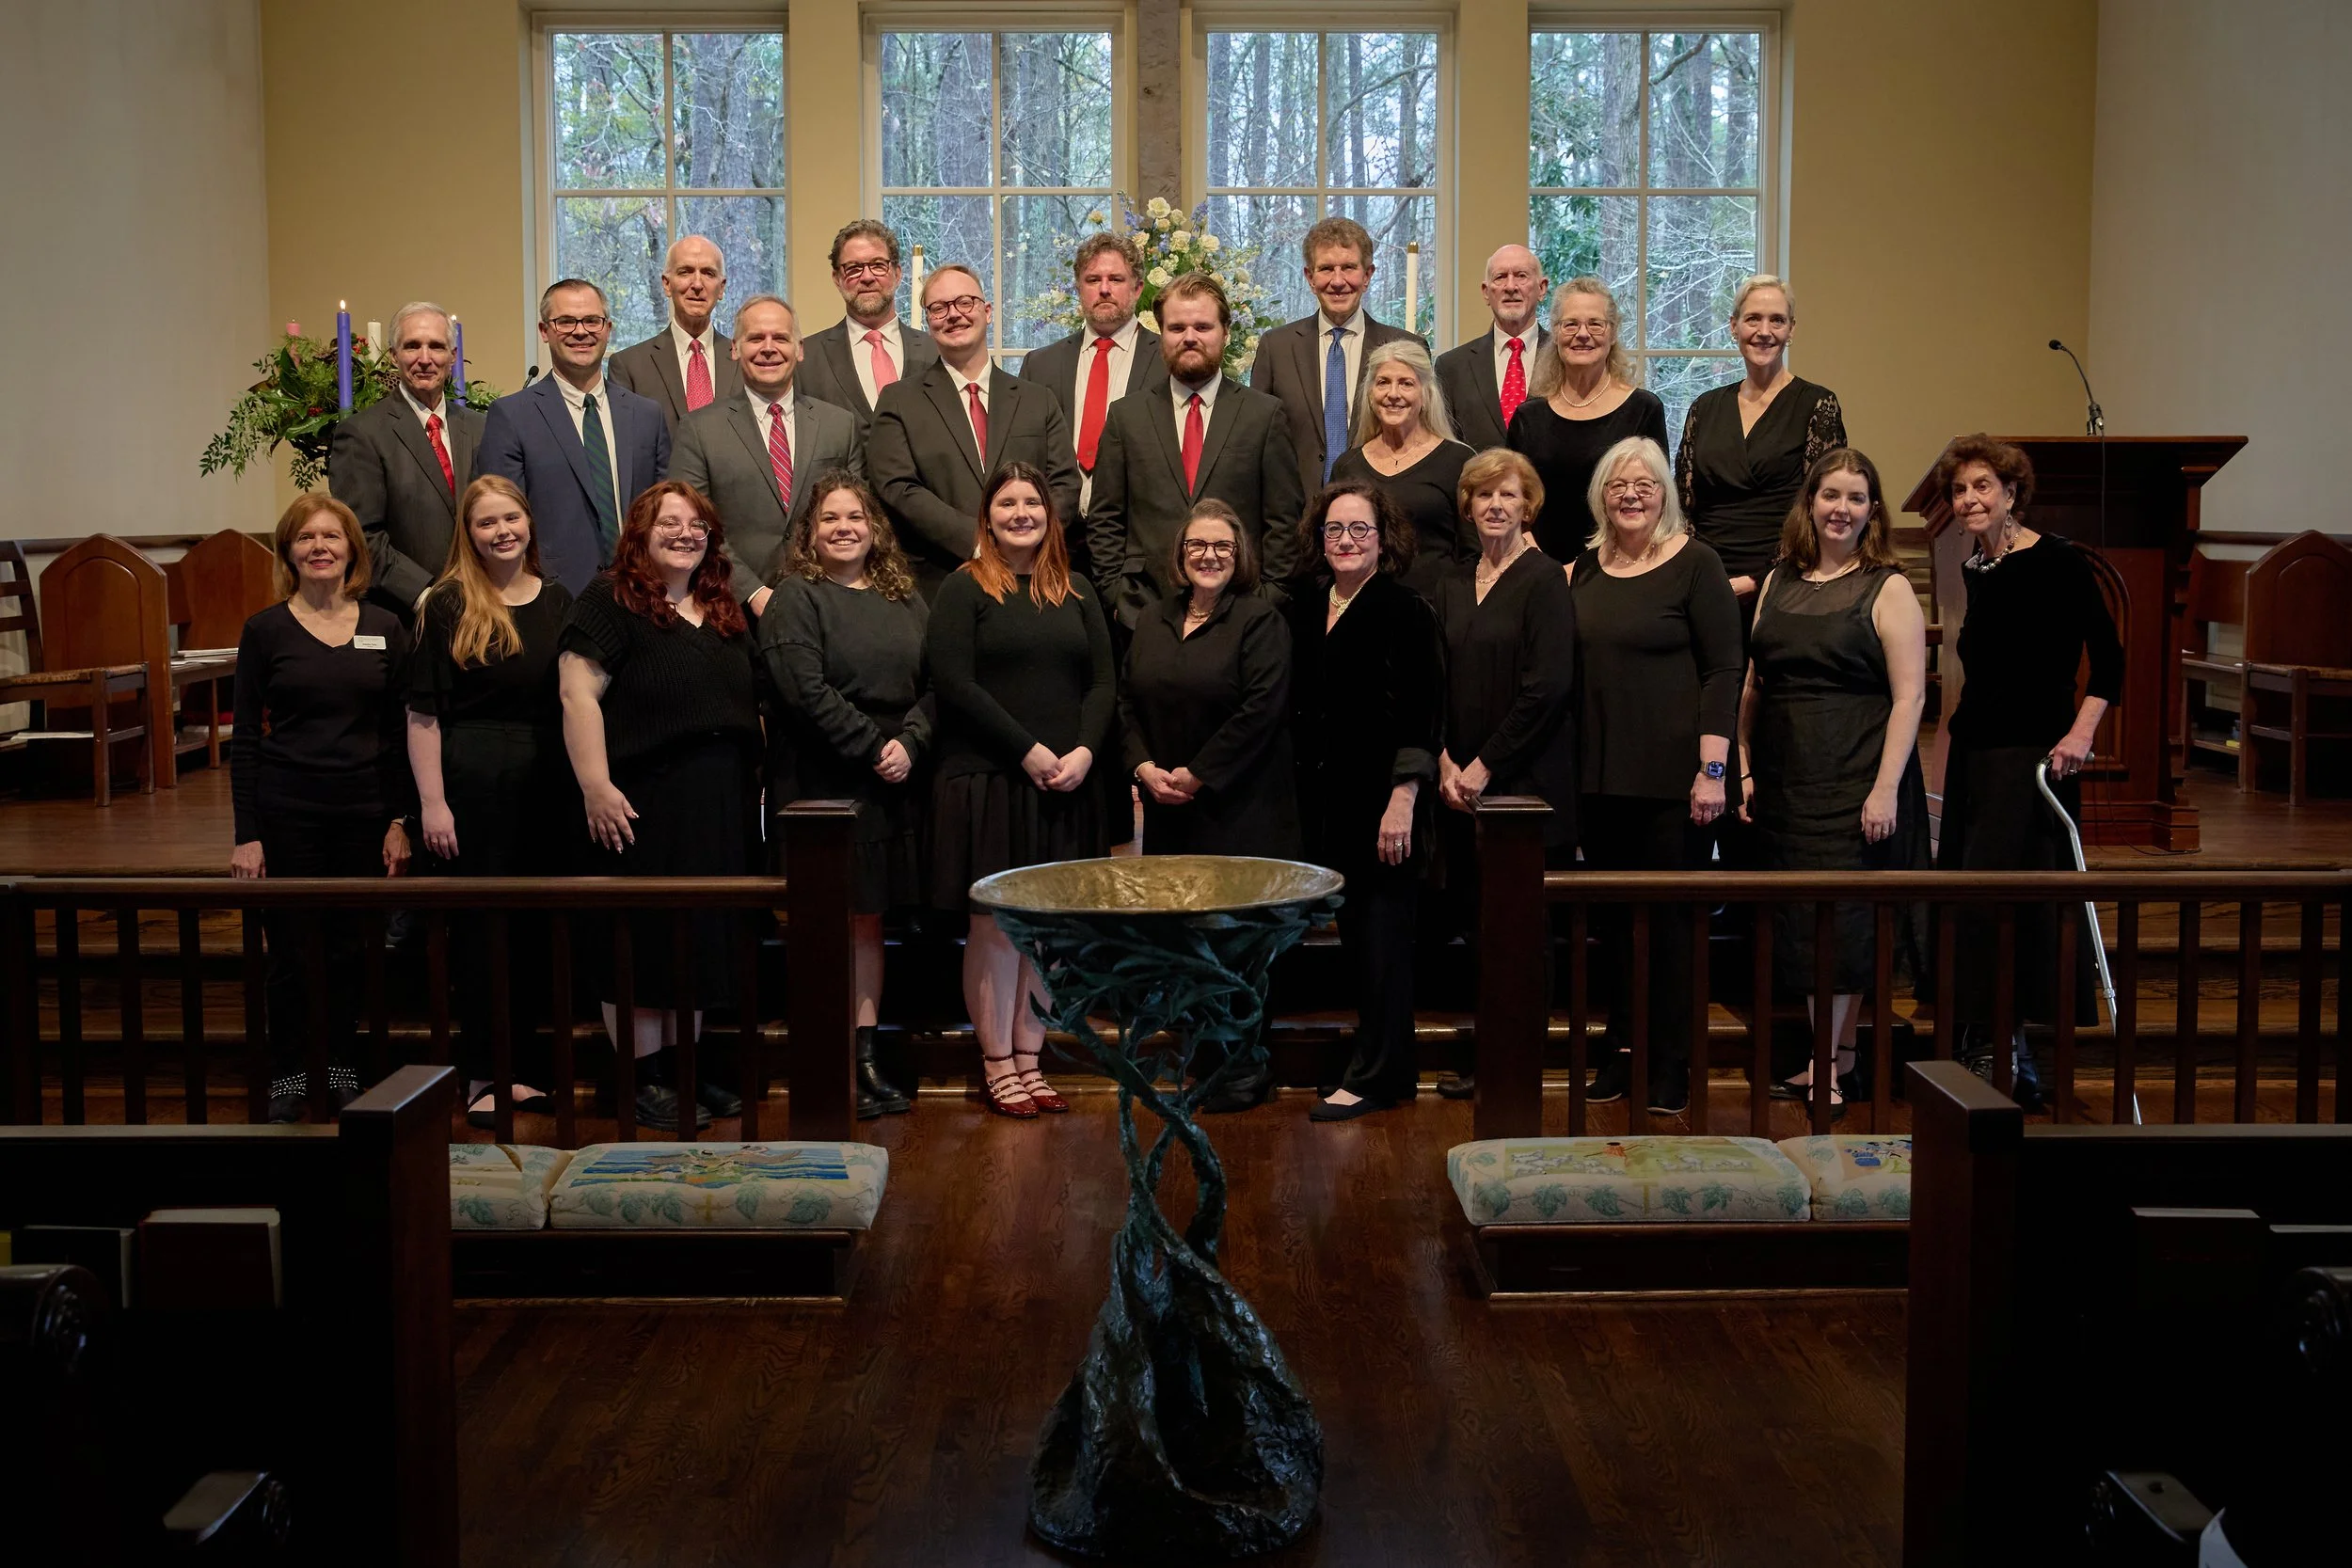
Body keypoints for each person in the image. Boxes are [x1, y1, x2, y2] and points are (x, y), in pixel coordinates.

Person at [558, 481, 760, 1132]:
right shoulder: (609, 599)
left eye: (696, 523)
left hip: (716, 799)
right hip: (642, 798)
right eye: (668, 523)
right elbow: (577, 693)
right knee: (641, 938)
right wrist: (594, 784)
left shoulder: (718, 603)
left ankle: (683, 1069)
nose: (684, 533)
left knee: (697, 937)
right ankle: (638, 1078)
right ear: (639, 532)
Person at [1737, 449, 1930, 1117]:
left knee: (1844, 923)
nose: (1841, 508)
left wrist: (1884, 789)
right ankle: (1836, 1058)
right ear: (1809, 503)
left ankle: (1830, 1063)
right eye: (1830, 495)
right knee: (1801, 920)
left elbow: (1910, 698)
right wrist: (1743, 760)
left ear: (1872, 510)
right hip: (1790, 777)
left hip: (1858, 772)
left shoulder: (1889, 586)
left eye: (1856, 497)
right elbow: (1755, 682)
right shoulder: (1778, 579)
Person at [1932, 434, 2122, 1112]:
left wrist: (2080, 733)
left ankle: (2011, 1048)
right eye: (1959, 490)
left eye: (1983, 486)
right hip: (1974, 755)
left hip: (2031, 759)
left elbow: (2109, 663)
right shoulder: (1976, 567)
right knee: (1972, 900)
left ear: (2012, 492)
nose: (1969, 499)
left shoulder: (2058, 562)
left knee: (2012, 905)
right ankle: (1981, 1036)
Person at [925, 463, 1116, 1120]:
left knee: (1049, 929)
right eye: (1006, 503)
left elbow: (1104, 685)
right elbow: (954, 682)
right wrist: (1027, 749)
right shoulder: (964, 587)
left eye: (1031, 502)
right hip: (990, 777)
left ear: (1049, 514)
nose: (1020, 513)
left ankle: (1031, 1057)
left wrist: (1085, 751)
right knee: (998, 928)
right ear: (987, 516)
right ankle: (997, 1061)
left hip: (1067, 781)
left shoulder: (1079, 590)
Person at [1568, 436, 1742, 1117]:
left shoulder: (1696, 564)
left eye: (1644, 483)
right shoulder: (1581, 570)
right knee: (1614, 929)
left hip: (1677, 783)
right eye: (1618, 484)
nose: (1631, 493)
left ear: (1665, 493)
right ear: (1601, 497)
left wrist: (1714, 769)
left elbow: (1724, 669)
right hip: (1600, 779)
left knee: (1671, 932)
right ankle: (1622, 1053)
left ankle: (1673, 1065)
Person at [229, 495, 415, 1123]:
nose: (319, 546)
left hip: (362, 809)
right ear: (288, 551)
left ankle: (338, 1067)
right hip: (287, 809)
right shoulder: (264, 630)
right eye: (305, 537)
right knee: (288, 949)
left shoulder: (386, 627)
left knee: (345, 949)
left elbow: (397, 736)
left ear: (352, 549)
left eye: (331, 536)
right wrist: (246, 834)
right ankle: (286, 1073)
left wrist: (398, 821)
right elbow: (247, 739)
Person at [406, 475, 576, 1131]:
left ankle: (527, 1069)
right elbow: (422, 715)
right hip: (472, 782)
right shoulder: (446, 602)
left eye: (511, 518)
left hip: (545, 785)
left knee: (534, 930)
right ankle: (482, 1073)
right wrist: (432, 805)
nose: (501, 531)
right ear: (468, 533)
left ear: (529, 524)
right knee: (481, 933)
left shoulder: (558, 599)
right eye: (486, 522)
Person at [1120, 500, 1300, 1113]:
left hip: (1241, 807)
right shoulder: (1153, 618)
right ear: (1180, 553)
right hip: (1171, 807)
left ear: (1240, 553)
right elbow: (1125, 702)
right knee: (1190, 940)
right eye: (1198, 544)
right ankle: (1204, 1058)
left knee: (1238, 944)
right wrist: (1142, 766)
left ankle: (1246, 1065)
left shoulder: (1260, 620)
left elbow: (1261, 711)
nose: (1209, 555)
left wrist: (1197, 774)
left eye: (1222, 545)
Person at [758, 471, 928, 1119]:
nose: (843, 527)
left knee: (868, 923)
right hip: (821, 781)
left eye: (855, 515)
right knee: (824, 924)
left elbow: (936, 681)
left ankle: (864, 1057)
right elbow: (803, 690)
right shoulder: (795, 597)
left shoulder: (902, 594)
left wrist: (910, 741)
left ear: (873, 525)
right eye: (829, 517)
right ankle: (826, 1062)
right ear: (809, 531)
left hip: (889, 779)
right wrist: (872, 746)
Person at [1287, 483, 1441, 1122]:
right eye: (1334, 529)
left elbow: (1422, 714)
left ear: (1385, 538)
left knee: (1383, 948)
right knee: (1357, 946)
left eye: (1360, 529)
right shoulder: (1301, 607)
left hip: (1385, 809)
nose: (1346, 540)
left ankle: (1378, 1074)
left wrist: (1403, 797)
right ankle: (1385, 1068)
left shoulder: (1405, 609)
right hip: (1327, 809)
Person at [1084, 271, 1303, 633]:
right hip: (1147, 613)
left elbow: (1283, 523)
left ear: (1225, 332)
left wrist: (1267, 599)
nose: (1189, 338)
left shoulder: (1264, 416)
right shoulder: (1126, 417)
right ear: (1160, 334)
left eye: (1202, 327)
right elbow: (1105, 519)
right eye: (1176, 328)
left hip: (1242, 614)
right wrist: (1117, 597)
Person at [867, 263, 1083, 591]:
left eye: (964, 302)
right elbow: (898, 487)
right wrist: (980, 541)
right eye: (939, 308)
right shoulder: (899, 401)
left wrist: (1026, 541)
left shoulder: (1037, 400)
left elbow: (1064, 482)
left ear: (987, 311)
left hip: (1033, 578)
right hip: (939, 581)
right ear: (929, 322)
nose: (953, 315)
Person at [668, 293, 864, 618]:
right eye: (755, 338)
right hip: (731, 612)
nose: (768, 348)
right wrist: (753, 592)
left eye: (781, 338)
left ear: (799, 350)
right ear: (735, 349)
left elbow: (859, 519)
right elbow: (693, 525)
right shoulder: (698, 429)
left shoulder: (840, 425)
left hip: (829, 607)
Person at [478, 278, 671, 594]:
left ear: (608, 329)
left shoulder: (647, 415)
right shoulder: (512, 416)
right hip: (553, 596)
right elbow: (501, 522)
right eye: (565, 321)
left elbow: (665, 512)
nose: (580, 331)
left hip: (640, 593)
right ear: (544, 331)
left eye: (592, 321)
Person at [1676, 275, 1849, 610]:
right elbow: (1682, 506)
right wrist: (1702, 574)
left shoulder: (1817, 404)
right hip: (1704, 580)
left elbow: (1821, 506)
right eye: (1753, 318)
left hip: (1787, 579)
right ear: (1734, 326)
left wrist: (1760, 578)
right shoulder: (1704, 408)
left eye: (1777, 320)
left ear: (1792, 330)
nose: (1764, 331)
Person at [327, 300, 483, 620]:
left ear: (453, 357)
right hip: (407, 615)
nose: (425, 359)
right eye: (412, 346)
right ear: (394, 356)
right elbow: (362, 535)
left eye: (436, 347)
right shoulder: (362, 434)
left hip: (482, 607)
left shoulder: (482, 427)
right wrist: (425, 596)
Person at [1250, 216, 1424, 499]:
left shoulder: (1404, 347)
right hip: (1297, 518)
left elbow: (1423, 440)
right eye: (1326, 269)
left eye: (1349, 268)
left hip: (1380, 515)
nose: (1338, 281)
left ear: (1367, 275)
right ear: (1310, 277)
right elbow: (1256, 441)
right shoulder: (1276, 347)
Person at [1507, 277, 1670, 564]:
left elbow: (1655, 502)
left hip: (1620, 569)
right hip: (1540, 569)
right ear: (1555, 333)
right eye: (1570, 324)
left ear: (1613, 332)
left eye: (1595, 324)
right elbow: (1513, 500)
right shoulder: (1528, 417)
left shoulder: (1644, 409)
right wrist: (1542, 564)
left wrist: (1587, 568)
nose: (1582, 334)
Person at [1019, 232, 1167, 525]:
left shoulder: (1167, 362)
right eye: (1093, 280)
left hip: (1137, 534)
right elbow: (1026, 456)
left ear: (1137, 289)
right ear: (1078, 288)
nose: (1104, 289)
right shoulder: (1040, 365)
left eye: (1116, 279)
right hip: (1057, 536)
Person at [1328, 340, 1475, 597]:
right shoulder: (1347, 466)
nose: (1393, 394)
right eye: (1383, 382)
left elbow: (1474, 553)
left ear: (1425, 394)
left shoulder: (1459, 461)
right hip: (1364, 612)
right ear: (1370, 393)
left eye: (1406, 383)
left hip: (1437, 615)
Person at [795, 219, 942, 433]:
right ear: (837, 278)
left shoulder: (935, 351)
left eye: (878, 266)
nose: (867, 277)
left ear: (898, 273)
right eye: (853, 268)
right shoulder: (805, 358)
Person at [608, 235, 739, 432]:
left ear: (721, 288)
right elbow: (627, 447)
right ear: (667, 284)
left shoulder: (745, 361)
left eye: (708, 273)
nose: (697, 284)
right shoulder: (629, 366)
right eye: (685, 272)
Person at [1436, 245, 1550, 451]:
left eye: (1521, 276)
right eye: (1500, 277)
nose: (1510, 286)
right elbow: (1444, 450)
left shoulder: (1563, 358)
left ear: (1541, 288)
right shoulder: (1451, 367)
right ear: (1486, 292)